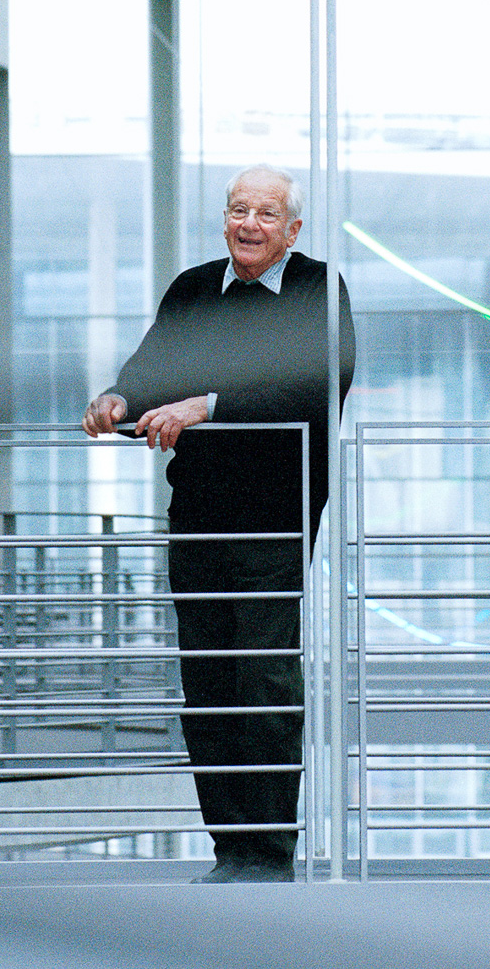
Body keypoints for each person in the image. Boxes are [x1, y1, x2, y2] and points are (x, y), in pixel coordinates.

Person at [83, 164, 355, 882]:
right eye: (239, 210)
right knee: (206, 683)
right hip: (196, 514)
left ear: (292, 231)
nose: (249, 226)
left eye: (266, 215)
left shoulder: (316, 291)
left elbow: (313, 384)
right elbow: (152, 368)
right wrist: (119, 396)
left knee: (262, 681)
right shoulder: (195, 289)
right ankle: (228, 850)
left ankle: (267, 855)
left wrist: (207, 405)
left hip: (273, 517)